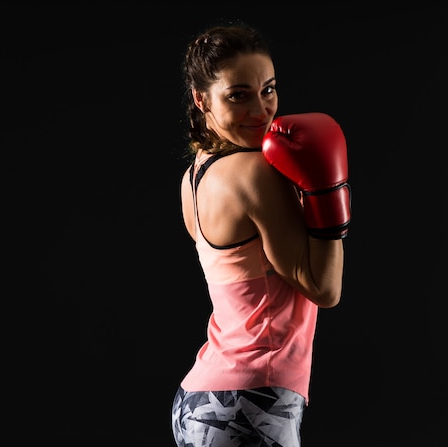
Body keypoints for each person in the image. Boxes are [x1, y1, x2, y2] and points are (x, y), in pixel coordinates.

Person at [171, 22, 351, 447]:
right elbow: (324, 289)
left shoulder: (193, 176)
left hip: (202, 401)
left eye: (268, 90)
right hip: (250, 400)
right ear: (201, 100)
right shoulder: (254, 174)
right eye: (238, 96)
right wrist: (327, 195)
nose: (262, 110)